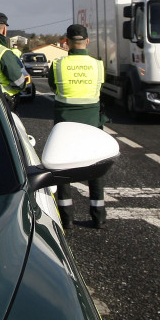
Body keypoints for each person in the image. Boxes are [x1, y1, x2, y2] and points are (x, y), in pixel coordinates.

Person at [47, 24, 109, 230]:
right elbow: (99, 87)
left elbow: (53, 86)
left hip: (65, 124)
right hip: (92, 123)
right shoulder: (98, 65)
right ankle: (98, 216)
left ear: (67, 41)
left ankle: (67, 219)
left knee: (64, 168)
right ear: (87, 41)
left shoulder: (58, 65)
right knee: (95, 168)